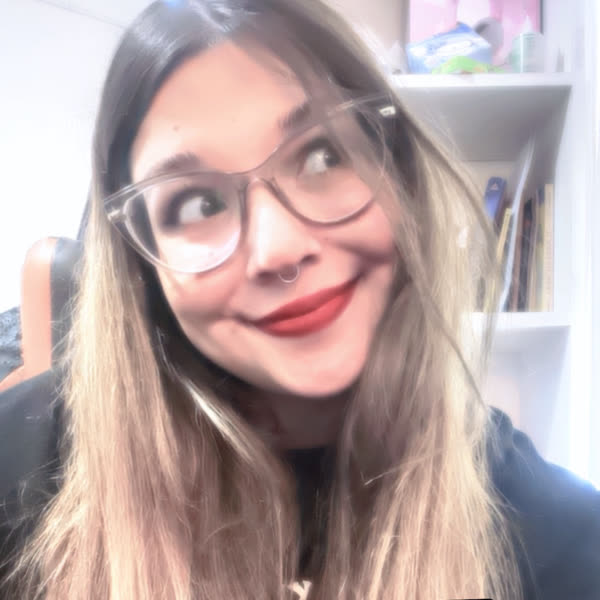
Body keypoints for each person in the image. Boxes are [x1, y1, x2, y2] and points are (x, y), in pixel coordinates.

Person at [0, 0, 598, 598]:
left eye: (321, 155)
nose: (278, 249)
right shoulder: (24, 464)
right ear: (142, 265)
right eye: (198, 204)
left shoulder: (555, 539)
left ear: (400, 177)